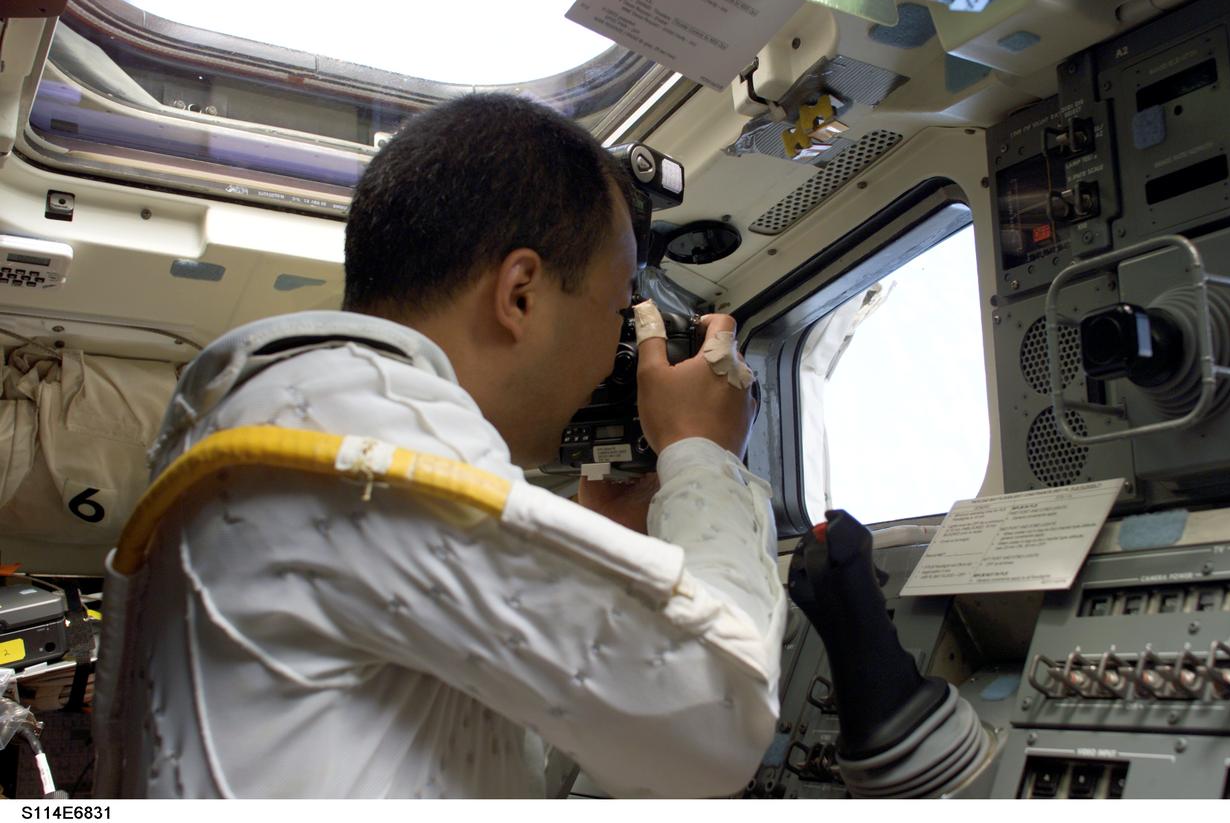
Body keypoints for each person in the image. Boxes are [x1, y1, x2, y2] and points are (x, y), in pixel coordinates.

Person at [113, 93, 785, 798]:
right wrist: (700, 452)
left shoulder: (283, 419)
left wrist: (596, 548)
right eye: (619, 310)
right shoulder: (375, 450)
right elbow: (719, 721)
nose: (609, 354)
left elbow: (482, 750)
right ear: (520, 293)